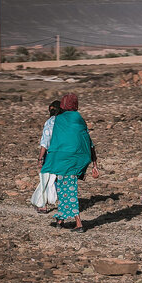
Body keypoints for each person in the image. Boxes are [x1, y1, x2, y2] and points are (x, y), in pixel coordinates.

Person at [40, 94, 99, 233]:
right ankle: (60, 220)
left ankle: (79, 223)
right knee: (62, 189)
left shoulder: (59, 120)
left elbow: (55, 141)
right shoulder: (79, 120)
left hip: (62, 161)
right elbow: (87, 142)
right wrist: (94, 163)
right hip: (74, 160)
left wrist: (45, 159)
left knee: (69, 191)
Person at [33, 100, 62, 213]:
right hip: (64, 155)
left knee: (47, 179)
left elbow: (45, 142)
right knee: (60, 179)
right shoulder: (65, 122)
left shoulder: (50, 122)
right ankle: (63, 203)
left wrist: (40, 159)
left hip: (51, 155)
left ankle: (43, 205)